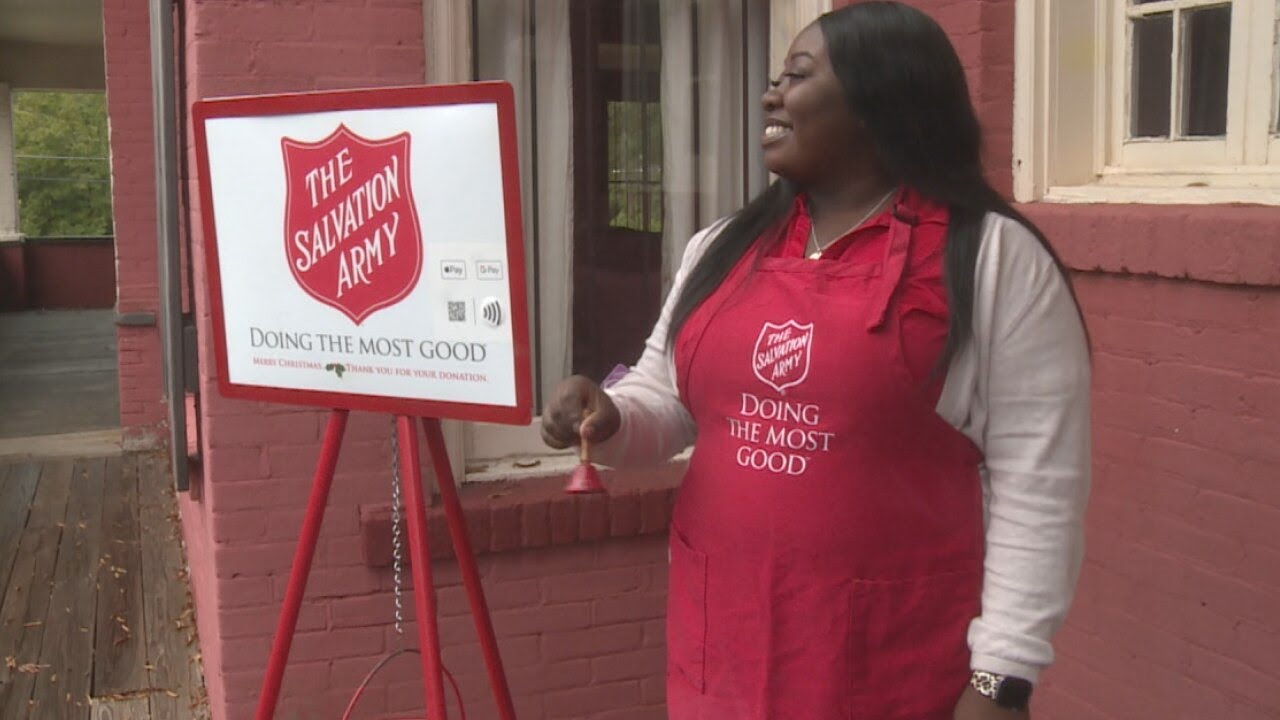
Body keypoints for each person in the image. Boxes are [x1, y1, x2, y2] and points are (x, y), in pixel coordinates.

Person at [541, 2, 1091, 718]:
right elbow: (667, 397)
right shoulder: (722, 247)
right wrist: (611, 417)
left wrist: (1002, 678)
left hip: (893, 665)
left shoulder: (987, 259)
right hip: (723, 650)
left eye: (797, 76)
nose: (770, 95)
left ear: (879, 98)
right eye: (776, 78)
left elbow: (1039, 484)